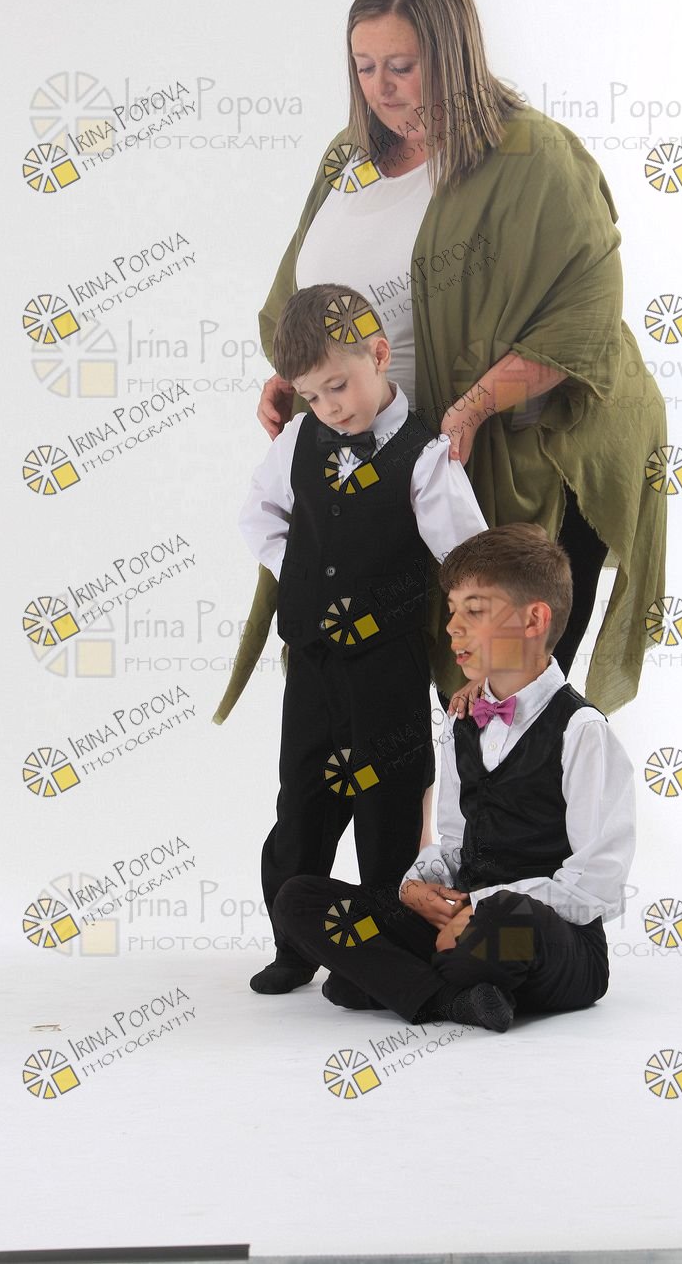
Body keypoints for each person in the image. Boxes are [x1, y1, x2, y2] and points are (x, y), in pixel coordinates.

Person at [213, 0, 666, 742]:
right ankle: (425, 820)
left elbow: (583, 315)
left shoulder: (531, 157)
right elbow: (307, 290)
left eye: (402, 65)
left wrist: (475, 404)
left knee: (504, 691)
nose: (380, 88)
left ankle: (527, 816)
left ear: (451, 56)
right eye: (364, 66)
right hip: (388, 451)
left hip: (527, 447)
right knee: (387, 675)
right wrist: (296, 376)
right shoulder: (347, 156)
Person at [271, 523, 636, 1031]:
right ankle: (455, 998)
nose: (453, 628)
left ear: (534, 619)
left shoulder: (581, 730)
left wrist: (480, 908)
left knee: (501, 926)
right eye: (451, 611)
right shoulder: (462, 720)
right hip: (461, 922)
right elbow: (453, 842)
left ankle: (389, 979)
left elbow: (598, 884)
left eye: (475, 611)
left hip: (550, 937)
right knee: (299, 899)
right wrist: (417, 887)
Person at [238, 283, 488, 994]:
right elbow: (259, 515)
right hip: (314, 663)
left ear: (379, 356)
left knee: (388, 806)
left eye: (339, 386)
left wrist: (477, 653)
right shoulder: (299, 440)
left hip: (386, 664)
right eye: (312, 396)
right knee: (303, 799)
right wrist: (302, 577)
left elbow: (466, 557)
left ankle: (377, 950)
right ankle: (296, 945)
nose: (329, 407)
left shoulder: (427, 457)